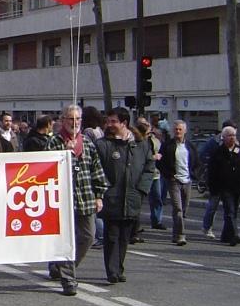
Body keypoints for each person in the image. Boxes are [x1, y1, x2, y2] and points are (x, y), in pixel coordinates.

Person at [47, 105, 107, 296]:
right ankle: (69, 279)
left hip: (86, 198)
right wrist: (65, 154)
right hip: (62, 200)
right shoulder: (55, 142)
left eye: (78, 119)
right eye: (70, 119)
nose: (74, 123)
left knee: (89, 236)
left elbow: (96, 169)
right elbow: (46, 167)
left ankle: (64, 265)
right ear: (63, 120)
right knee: (66, 240)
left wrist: (99, 195)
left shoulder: (88, 143)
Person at [95, 107, 155, 284]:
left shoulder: (141, 144)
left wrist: (142, 189)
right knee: (112, 236)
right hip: (111, 198)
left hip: (132, 198)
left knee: (125, 237)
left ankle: (119, 267)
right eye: (108, 121)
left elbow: (149, 167)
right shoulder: (103, 144)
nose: (109, 125)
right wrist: (103, 188)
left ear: (124, 123)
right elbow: (97, 169)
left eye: (114, 121)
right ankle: (112, 271)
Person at [158, 120, 200, 246]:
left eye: (180, 129)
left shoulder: (190, 146)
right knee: (178, 209)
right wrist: (168, 175)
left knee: (184, 209)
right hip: (174, 180)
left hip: (187, 181)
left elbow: (197, 162)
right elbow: (160, 162)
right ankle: (181, 236)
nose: (178, 131)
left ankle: (175, 234)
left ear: (185, 131)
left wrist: (194, 175)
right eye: (176, 129)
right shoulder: (167, 145)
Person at [208, 125, 240, 246]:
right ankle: (234, 235)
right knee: (230, 211)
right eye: (229, 136)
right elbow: (212, 171)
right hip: (224, 187)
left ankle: (225, 235)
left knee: (234, 212)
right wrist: (213, 189)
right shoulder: (218, 152)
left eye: (233, 135)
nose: (232, 138)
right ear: (224, 138)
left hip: (238, 187)